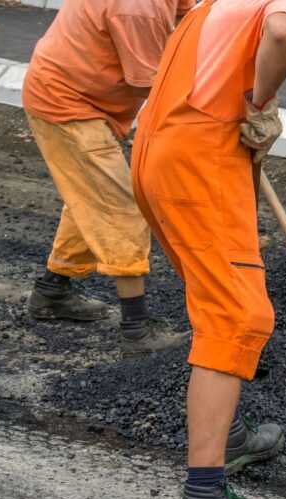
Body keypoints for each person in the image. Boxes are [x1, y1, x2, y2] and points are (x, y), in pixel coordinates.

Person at [132, 0, 286, 499]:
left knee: (214, 294)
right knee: (237, 317)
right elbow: (285, 31)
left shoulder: (218, 2)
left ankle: (233, 437)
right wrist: (259, 103)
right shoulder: (281, 4)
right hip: (199, 162)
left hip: (157, 152)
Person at [22, 0, 194, 359]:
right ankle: (137, 333)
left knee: (92, 196)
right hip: (66, 103)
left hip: (91, 100)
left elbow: (187, 20)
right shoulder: (136, 6)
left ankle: (52, 292)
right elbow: (151, 86)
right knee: (121, 209)